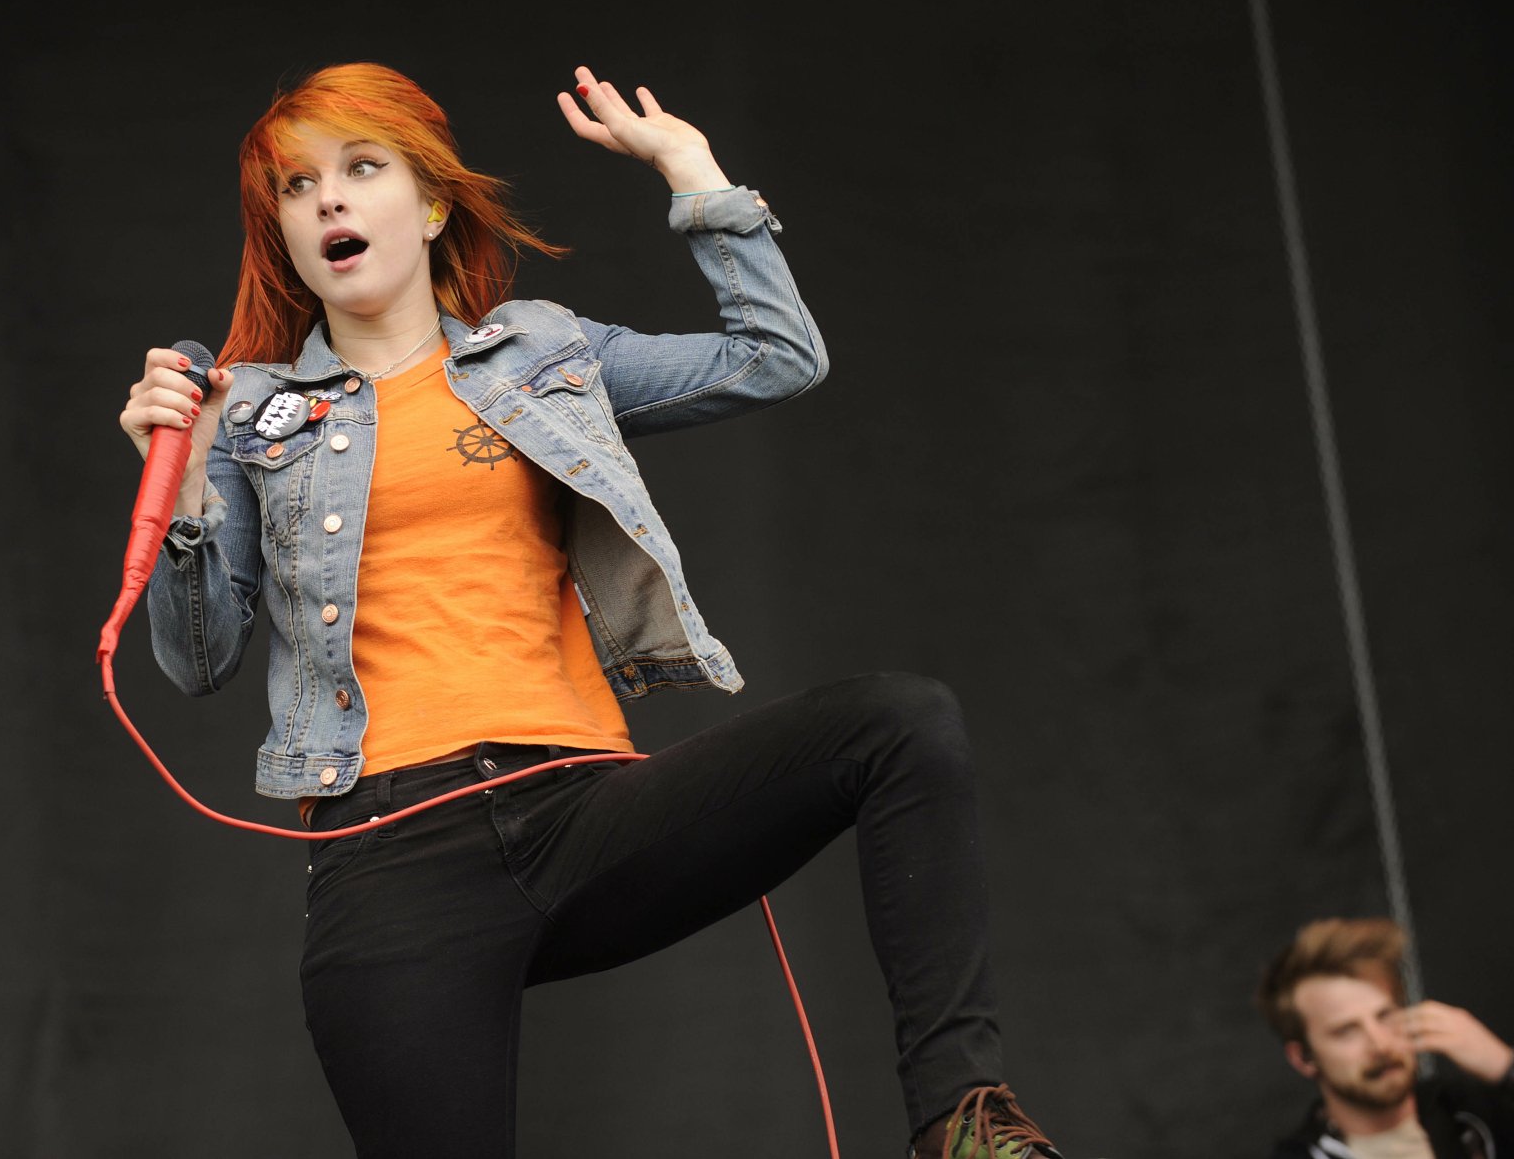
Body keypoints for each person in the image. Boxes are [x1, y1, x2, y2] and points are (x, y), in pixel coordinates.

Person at [118, 61, 1061, 1159]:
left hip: (579, 815)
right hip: (388, 860)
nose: (325, 198)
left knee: (899, 723)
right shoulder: (250, 421)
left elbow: (778, 359)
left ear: (428, 204)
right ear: (281, 231)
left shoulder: (546, 351)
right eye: (295, 186)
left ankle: (962, 1122)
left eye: (359, 168)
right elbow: (197, 662)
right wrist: (183, 498)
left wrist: (692, 174)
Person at [1257, 917, 1514, 1159]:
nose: (1381, 1044)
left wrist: (1506, 1067)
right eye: (1346, 1030)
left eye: (1385, 1015)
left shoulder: (1472, 1112)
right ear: (1303, 1058)